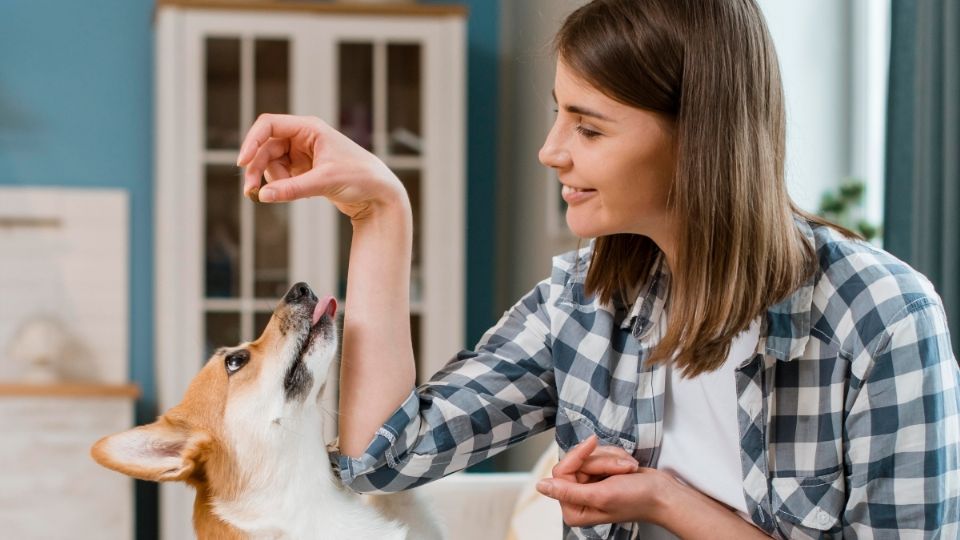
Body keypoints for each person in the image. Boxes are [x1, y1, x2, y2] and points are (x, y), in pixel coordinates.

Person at [235, 0, 960, 537]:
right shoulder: (582, 304)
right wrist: (380, 213)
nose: (551, 150)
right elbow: (386, 455)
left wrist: (666, 501)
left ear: (698, 139)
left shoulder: (882, 319)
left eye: (588, 126)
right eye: (558, 115)